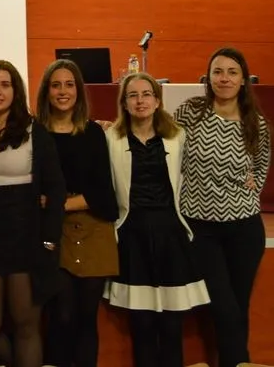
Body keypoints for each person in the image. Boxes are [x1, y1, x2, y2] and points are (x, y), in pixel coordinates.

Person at [105, 73, 209, 367]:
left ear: (157, 100)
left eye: (146, 94)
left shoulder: (177, 136)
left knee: (172, 325)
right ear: (124, 103)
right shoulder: (111, 139)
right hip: (132, 235)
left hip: (170, 234)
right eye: (133, 95)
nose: (140, 101)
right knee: (142, 325)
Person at [175, 47, 270, 367]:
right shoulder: (191, 111)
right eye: (218, 71)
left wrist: (250, 188)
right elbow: (162, 138)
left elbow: (261, 166)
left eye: (232, 72)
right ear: (208, 77)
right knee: (224, 307)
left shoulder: (255, 123)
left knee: (238, 307)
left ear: (243, 79)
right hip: (200, 228)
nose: (224, 78)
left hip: (244, 228)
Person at [0, 60, 65, 367]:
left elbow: (56, 190)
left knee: (26, 327)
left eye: (5, 85)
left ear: (16, 91)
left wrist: (49, 242)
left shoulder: (35, 131)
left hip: (28, 240)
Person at [36, 59, 119, 367]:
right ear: (46, 91)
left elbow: (103, 193)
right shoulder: (34, 133)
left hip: (93, 232)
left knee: (86, 317)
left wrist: (57, 203)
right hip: (51, 233)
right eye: (56, 85)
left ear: (79, 91)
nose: (63, 91)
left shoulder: (94, 133)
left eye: (69, 85)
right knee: (60, 315)